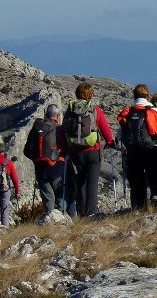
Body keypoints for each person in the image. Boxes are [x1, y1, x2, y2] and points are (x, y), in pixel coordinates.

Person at [65, 82, 115, 218]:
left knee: (80, 182)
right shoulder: (95, 110)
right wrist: (110, 142)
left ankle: (82, 214)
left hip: (76, 152)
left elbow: (65, 131)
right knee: (92, 184)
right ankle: (91, 215)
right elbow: (105, 129)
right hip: (93, 151)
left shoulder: (70, 110)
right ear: (90, 95)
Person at [117, 84, 157, 211]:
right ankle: (156, 196)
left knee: (136, 179)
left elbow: (119, 135)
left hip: (133, 151)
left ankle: (139, 206)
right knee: (155, 175)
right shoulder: (152, 110)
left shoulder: (128, 112)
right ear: (148, 95)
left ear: (134, 96)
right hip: (151, 149)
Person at [28, 104, 67, 216]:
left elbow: (27, 151)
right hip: (58, 167)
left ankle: (50, 220)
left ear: (46, 114)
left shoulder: (36, 129)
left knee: (48, 199)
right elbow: (65, 147)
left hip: (40, 169)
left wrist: (38, 158)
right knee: (60, 196)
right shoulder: (59, 128)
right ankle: (62, 220)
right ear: (58, 116)